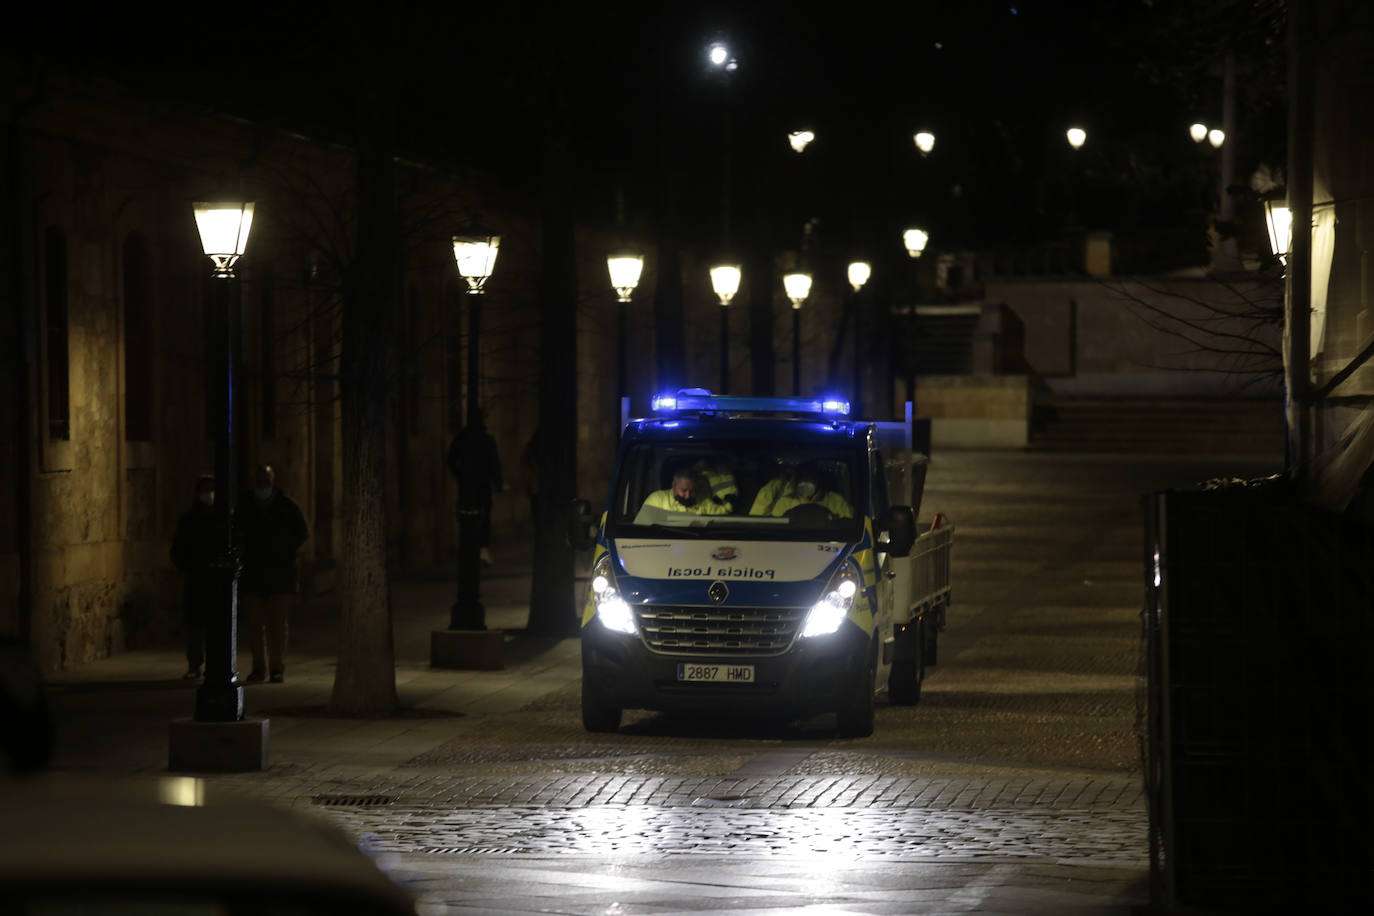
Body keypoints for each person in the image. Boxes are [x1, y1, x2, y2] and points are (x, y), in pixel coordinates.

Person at [235, 464, 309, 684]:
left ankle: (277, 668)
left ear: (273, 481)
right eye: (259, 481)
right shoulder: (245, 506)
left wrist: (284, 550)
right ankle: (259, 667)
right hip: (253, 574)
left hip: (279, 575)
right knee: (255, 626)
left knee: (277, 626)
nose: (263, 485)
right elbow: (236, 532)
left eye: (266, 481)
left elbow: (302, 533)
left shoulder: (287, 507)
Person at [170, 474, 220, 680]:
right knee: (194, 625)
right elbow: (178, 549)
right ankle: (195, 663)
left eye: (211, 489)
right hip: (196, 577)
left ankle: (215, 665)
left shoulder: (223, 518)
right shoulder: (189, 519)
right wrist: (187, 567)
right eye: (204, 490)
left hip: (217, 579)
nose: (208, 494)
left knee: (216, 625)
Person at [448, 407, 504, 568]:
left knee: (472, 517)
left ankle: (475, 550)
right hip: (479, 485)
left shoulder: (463, 439)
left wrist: (460, 475)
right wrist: (498, 482)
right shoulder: (483, 440)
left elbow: (452, 459)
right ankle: (479, 549)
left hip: (470, 486)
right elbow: (494, 464)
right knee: (481, 518)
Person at [749, 462, 853, 519]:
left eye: (810, 476)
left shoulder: (836, 501)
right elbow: (763, 524)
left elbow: (848, 527)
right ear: (796, 479)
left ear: (818, 479)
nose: (806, 480)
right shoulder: (782, 499)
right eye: (802, 476)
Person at [641, 468, 731, 515]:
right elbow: (643, 528)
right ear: (674, 486)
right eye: (684, 490)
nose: (688, 496)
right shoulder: (657, 500)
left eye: (692, 491)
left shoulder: (705, 503)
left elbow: (723, 517)